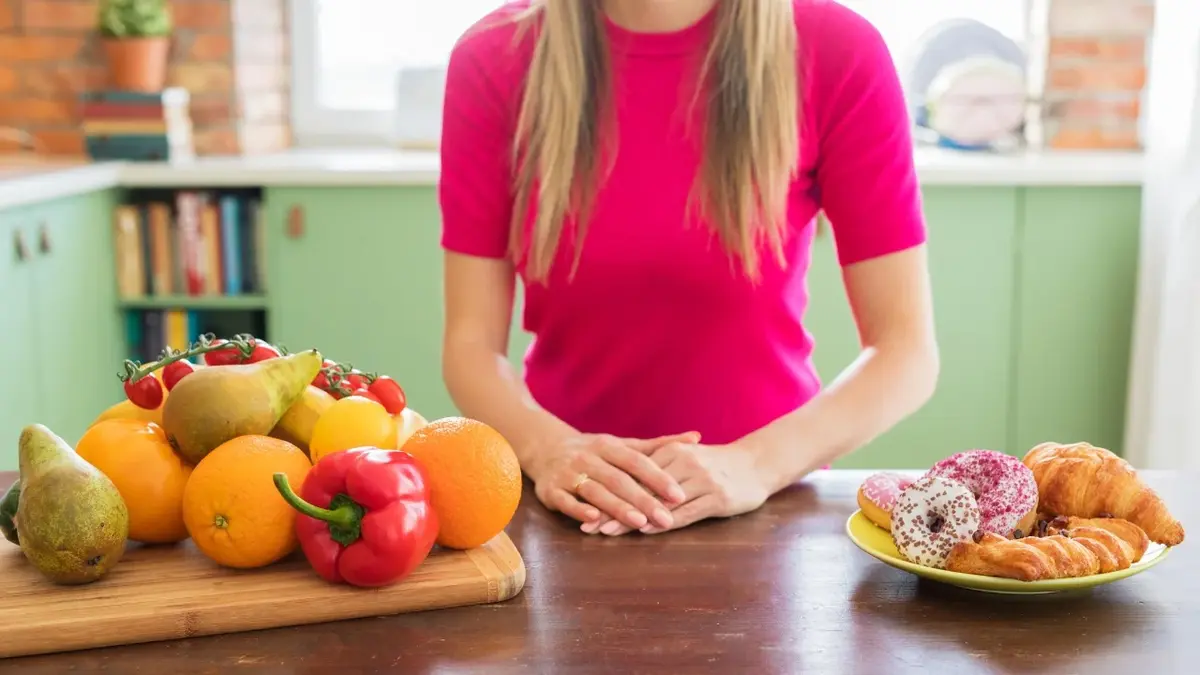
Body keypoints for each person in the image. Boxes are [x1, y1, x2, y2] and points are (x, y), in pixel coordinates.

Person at [438, 0, 938, 537]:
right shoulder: (493, 57)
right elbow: (471, 345)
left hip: (768, 508)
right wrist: (547, 448)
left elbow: (905, 350)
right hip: (566, 510)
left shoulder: (839, 50)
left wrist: (756, 463)